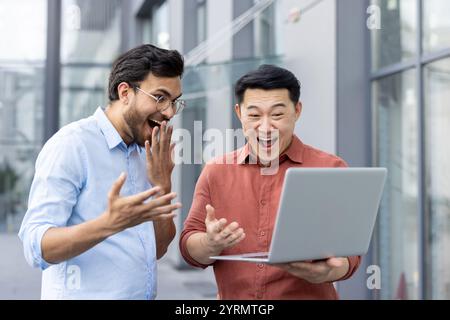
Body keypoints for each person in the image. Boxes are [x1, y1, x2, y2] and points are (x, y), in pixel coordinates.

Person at [179, 64, 361, 299]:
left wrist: (332, 270)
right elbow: (189, 246)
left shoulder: (330, 169)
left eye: (277, 115)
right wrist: (210, 243)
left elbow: (350, 253)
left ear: (297, 111)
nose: (265, 128)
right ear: (239, 113)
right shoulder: (216, 171)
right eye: (254, 115)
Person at [19, 44, 185, 299]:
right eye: (160, 97)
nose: (169, 112)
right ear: (125, 92)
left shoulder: (149, 153)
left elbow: (159, 248)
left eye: (174, 102)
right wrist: (109, 224)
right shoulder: (72, 144)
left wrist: (162, 185)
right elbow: (36, 247)